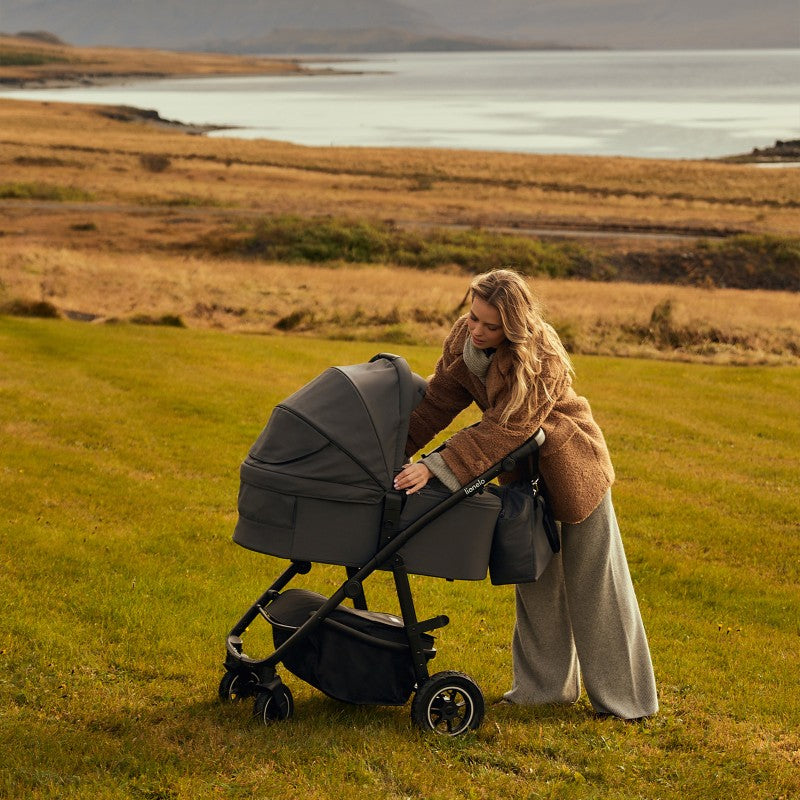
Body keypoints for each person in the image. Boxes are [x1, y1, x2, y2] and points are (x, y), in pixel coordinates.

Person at [394, 268, 658, 720]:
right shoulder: (464, 340)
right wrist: (392, 451)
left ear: (514, 326)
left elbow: (507, 427)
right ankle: (543, 689)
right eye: (473, 317)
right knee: (535, 576)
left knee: (597, 585)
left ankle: (627, 701)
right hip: (523, 472)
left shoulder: (541, 356)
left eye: (490, 326)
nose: (476, 330)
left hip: (574, 467)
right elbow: (438, 400)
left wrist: (435, 466)